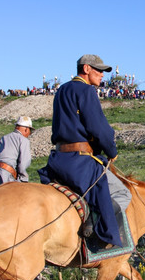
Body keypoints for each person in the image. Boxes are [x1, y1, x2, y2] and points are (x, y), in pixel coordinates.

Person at [38, 54, 131, 248]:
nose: (102, 75)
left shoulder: (62, 90)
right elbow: (99, 128)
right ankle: (100, 230)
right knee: (123, 193)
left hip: (58, 160)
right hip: (80, 162)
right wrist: (111, 151)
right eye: (99, 71)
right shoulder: (87, 91)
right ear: (86, 69)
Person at [0, 116, 34, 188]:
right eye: (30, 131)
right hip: (5, 173)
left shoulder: (4, 137)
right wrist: (24, 179)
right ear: (26, 129)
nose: (29, 134)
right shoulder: (24, 140)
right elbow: (23, 164)